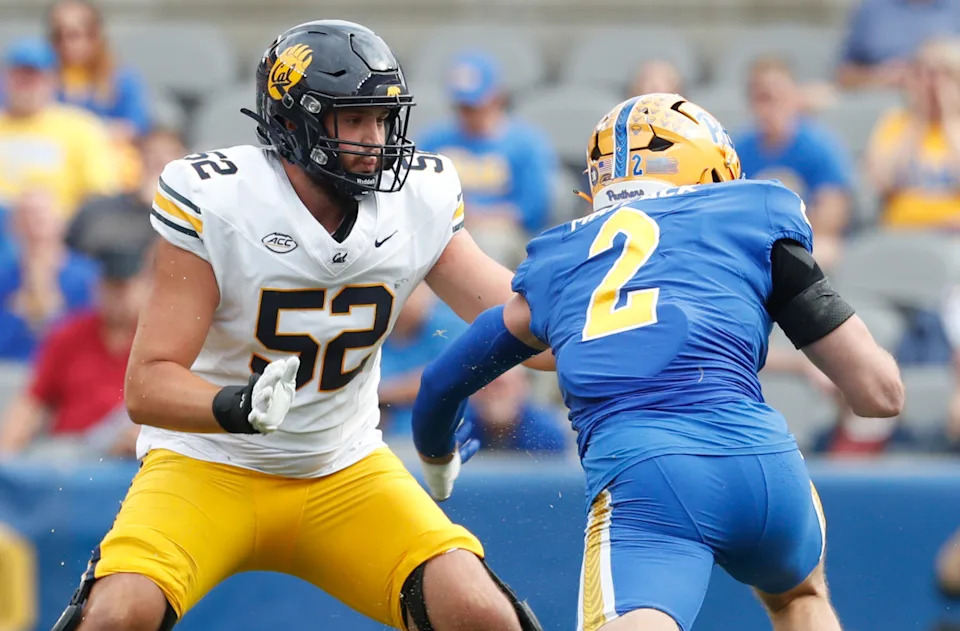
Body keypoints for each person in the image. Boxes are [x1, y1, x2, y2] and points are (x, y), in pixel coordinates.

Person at [52, 20, 544, 631]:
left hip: (342, 466)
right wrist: (238, 406)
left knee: (480, 611)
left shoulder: (418, 197)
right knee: (117, 613)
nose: (375, 139)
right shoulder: (222, 201)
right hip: (209, 463)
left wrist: (598, 316)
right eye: (354, 120)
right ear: (292, 123)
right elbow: (147, 385)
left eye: (382, 119)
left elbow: (525, 330)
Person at [411, 93, 904, 631]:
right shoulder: (753, 218)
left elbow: (442, 382)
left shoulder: (561, 261)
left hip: (647, 476)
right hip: (765, 463)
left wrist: (438, 461)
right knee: (799, 597)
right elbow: (880, 395)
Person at [0, 247, 148, 458]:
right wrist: (6, 454)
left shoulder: (157, 340)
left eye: (123, 288)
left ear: (143, 288)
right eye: (110, 287)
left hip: (132, 454)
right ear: (98, 288)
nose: (117, 298)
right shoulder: (70, 335)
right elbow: (33, 401)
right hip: (72, 453)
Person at [418, 51, 557, 266]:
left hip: (505, 236)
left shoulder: (526, 143)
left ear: (497, 98)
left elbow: (533, 210)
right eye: (461, 106)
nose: (466, 114)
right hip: (445, 230)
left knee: (487, 242)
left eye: (474, 106)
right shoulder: (435, 139)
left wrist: (477, 216)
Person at [736, 57, 853, 269]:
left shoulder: (819, 146)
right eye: (763, 98)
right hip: (753, 240)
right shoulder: (738, 151)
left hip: (806, 239)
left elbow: (833, 213)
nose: (771, 108)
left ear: (795, 98)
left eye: (779, 97)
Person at [865, 38, 960, 228]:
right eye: (923, 75)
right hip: (902, 229)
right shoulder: (894, 123)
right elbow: (883, 182)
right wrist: (919, 120)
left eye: (945, 76)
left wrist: (949, 118)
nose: (932, 85)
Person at [0, 188, 98, 361]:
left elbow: (89, 337)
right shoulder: (4, 277)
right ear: (13, 225)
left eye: (42, 213)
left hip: (65, 367)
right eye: (27, 214)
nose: (34, 221)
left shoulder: (86, 276)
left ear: (60, 220)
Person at [47, 0, 151, 139]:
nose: (65, 43)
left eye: (74, 35)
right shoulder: (40, 77)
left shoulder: (122, 79)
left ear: (95, 36)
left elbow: (136, 126)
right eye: (57, 36)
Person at [837, 0, 960, 90]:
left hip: (943, 111)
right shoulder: (872, 8)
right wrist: (880, 77)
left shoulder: (956, 8)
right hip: (879, 105)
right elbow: (843, 76)